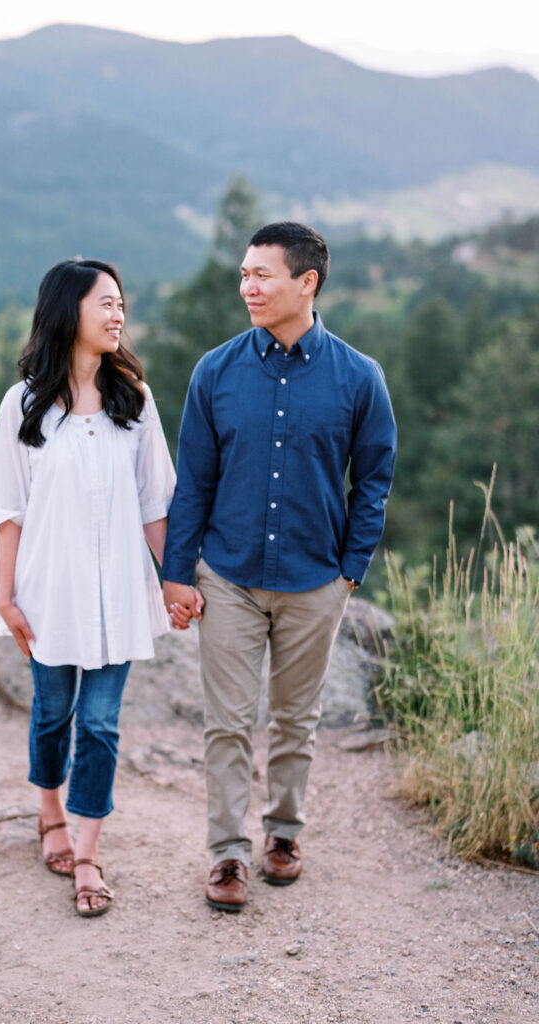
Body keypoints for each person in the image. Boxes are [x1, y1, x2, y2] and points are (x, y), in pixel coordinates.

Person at [162, 222, 397, 912]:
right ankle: (228, 855)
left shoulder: (360, 377)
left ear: (307, 282)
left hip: (314, 581)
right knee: (228, 722)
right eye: (243, 275)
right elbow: (193, 482)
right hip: (227, 576)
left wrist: (349, 570)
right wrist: (178, 573)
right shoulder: (216, 371)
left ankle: (284, 834)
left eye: (261, 275)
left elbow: (374, 480)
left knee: (296, 719)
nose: (247, 287)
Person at [0, 258, 176, 917]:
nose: (119, 314)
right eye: (106, 304)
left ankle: (87, 853)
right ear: (70, 312)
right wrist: (4, 598)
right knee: (52, 712)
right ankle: (47, 809)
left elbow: (155, 504)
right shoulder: (24, 404)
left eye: (122, 304)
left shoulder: (134, 401)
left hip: (117, 589)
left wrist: (172, 581)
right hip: (47, 590)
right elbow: (7, 508)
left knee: (99, 722)